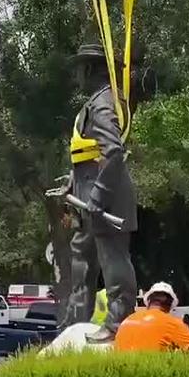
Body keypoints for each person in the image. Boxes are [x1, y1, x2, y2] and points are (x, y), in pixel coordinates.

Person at [62, 44, 139, 342]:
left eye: (81, 68)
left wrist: (98, 197)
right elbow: (87, 155)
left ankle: (119, 322)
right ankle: (76, 320)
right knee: (81, 262)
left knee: (113, 261)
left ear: (92, 70)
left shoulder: (104, 103)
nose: (78, 75)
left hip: (104, 200)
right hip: (85, 199)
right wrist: (73, 180)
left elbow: (114, 153)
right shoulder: (94, 103)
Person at [115, 282, 189, 353]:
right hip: (150, 371)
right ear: (170, 305)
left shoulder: (127, 320)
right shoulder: (173, 323)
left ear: (148, 301)